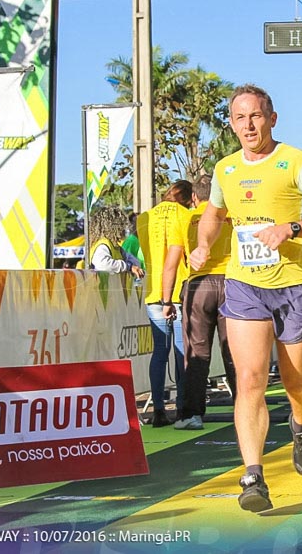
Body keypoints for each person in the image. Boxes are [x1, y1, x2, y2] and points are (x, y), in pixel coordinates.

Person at [188, 84, 302, 513]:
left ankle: (300, 424)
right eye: (240, 118)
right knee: (251, 380)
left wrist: (291, 229)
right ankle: (253, 475)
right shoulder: (224, 169)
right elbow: (213, 215)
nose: (248, 125)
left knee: (295, 382)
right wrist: (204, 244)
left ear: (272, 118)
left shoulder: (296, 161)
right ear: (231, 124)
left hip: (294, 284)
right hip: (244, 285)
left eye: (256, 116)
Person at [175, 174, 236, 431]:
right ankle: (246, 410)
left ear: (195, 197)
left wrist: (168, 297)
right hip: (233, 282)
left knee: (197, 353)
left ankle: (192, 414)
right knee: (235, 352)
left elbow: (174, 259)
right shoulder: (233, 214)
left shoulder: (186, 218)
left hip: (199, 284)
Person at [138, 180, 193, 428]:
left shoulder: (144, 218)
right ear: (188, 197)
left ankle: (158, 409)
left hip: (153, 292)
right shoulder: (187, 215)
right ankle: (183, 407)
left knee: (160, 352)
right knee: (182, 352)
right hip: (180, 289)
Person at [88, 206, 144, 279]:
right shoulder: (103, 245)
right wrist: (128, 267)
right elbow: (103, 265)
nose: (124, 228)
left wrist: (130, 266)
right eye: (121, 225)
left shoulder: (115, 247)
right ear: (112, 227)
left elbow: (136, 263)